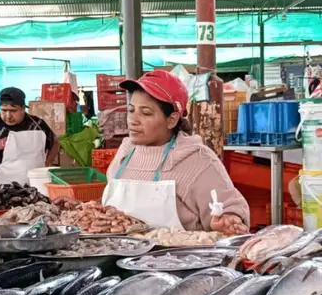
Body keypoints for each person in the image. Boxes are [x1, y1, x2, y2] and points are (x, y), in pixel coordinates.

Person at [104, 70, 250, 234]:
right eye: (131, 110)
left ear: (172, 119)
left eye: (145, 113)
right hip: (117, 256)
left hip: (178, 258)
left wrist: (228, 220)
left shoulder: (198, 160)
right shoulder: (126, 152)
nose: (133, 120)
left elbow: (228, 209)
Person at [0, 87, 58, 185]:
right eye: (4, 110)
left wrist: (46, 164)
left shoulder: (38, 125)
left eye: (13, 110)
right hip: (4, 186)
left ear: (23, 108)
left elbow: (55, 142)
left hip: (37, 183)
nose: (8, 115)